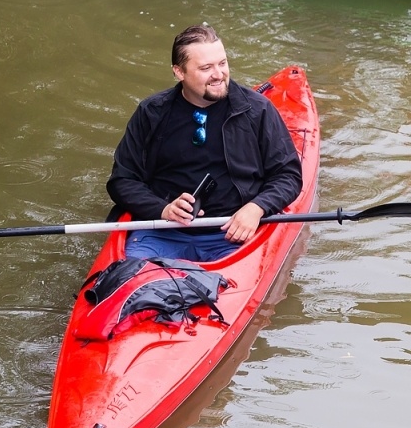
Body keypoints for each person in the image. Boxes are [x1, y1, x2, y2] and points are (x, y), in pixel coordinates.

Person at [107, 25, 303, 264]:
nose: (219, 74)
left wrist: (257, 207)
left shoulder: (258, 110)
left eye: (222, 63)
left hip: (233, 233)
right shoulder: (152, 113)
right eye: (206, 68)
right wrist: (163, 209)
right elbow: (123, 180)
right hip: (162, 231)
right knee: (130, 285)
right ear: (179, 72)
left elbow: (289, 176)